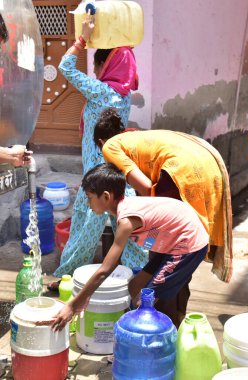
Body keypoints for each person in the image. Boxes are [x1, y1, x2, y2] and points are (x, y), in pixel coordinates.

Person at [93, 108, 233, 326]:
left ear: (101, 142)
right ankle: (175, 317)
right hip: (208, 163)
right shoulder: (134, 137)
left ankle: (161, 320)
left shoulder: (110, 146)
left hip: (182, 171)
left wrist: (146, 217)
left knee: (172, 250)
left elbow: (147, 188)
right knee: (174, 251)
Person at [51, 163, 209, 331]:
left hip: (187, 245)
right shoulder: (126, 207)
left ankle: (139, 343)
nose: (88, 203)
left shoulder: (126, 221)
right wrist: (85, 298)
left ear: (105, 197)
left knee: (145, 299)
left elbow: (105, 269)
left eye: (89, 197)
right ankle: (129, 327)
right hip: (173, 243)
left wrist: (73, 304)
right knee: (134, 286)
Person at [50, 12, 146, 285]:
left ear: (107, 65)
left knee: (82, 234)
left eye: (97, 66)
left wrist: (83, 38)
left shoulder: (102, 91)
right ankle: (142, 281)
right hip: (119, 174)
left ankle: (65, 279)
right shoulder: (125, 94)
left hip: (97, 178)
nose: (96, 72)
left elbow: (65, 66)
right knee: (128, 236)